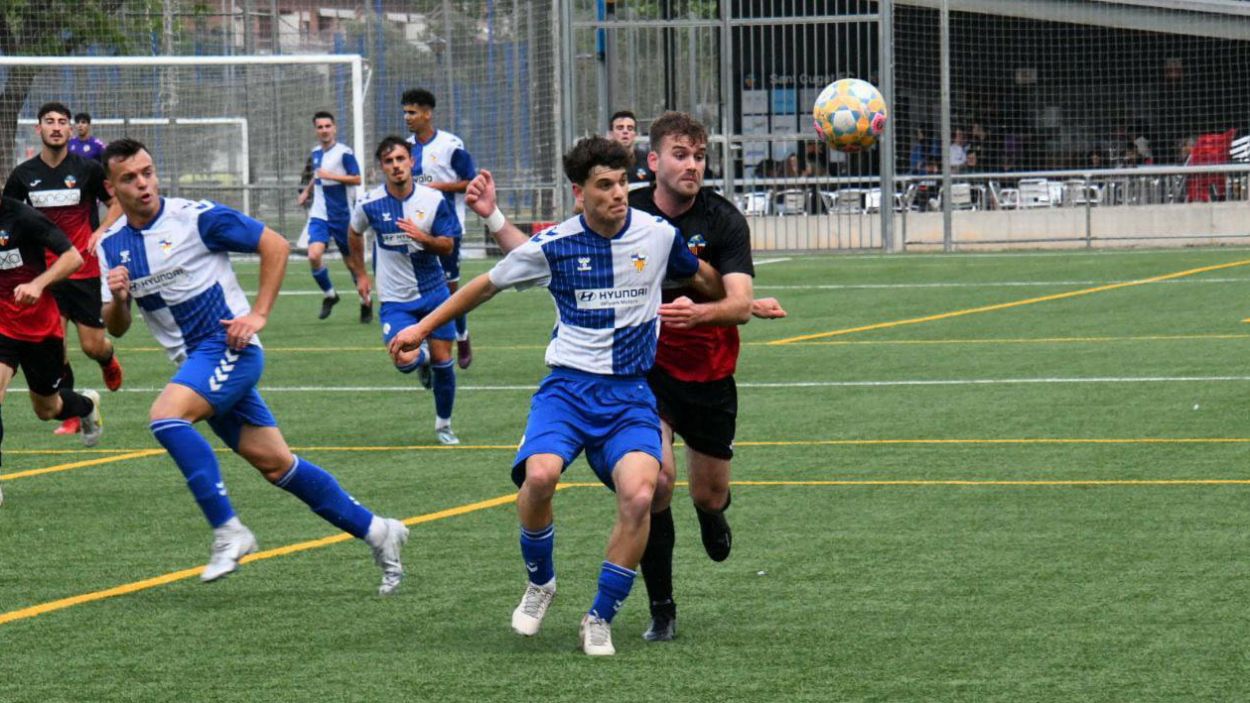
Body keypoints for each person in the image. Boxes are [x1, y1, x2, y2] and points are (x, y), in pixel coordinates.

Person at [387, 135, 724, 656]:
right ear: (578, 193)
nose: (618, 194)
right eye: (604, 185)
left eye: (623, 183)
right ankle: (540, 583)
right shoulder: (554, 245)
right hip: (566, 391)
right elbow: (485, 285)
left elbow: (700, 274)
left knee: (641, 493)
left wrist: (737, 296)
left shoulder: (656, 235)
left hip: (631, 394)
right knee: (540, 475)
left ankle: (600, 616)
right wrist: (420, 329)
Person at [464, 114, 787, 645]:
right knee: (651, 487)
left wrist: (718, 309)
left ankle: (711, 516)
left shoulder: (721, 220)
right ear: (652, 162)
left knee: (708, 495)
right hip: (641, 373)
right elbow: (547, 256)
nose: (692, 165)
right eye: (680, 154)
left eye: (700, 156)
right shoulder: (621, 205)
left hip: (708, 370)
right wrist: (494, 216)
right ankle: (660, 608)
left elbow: (733, 300)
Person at [95, 138, 409, 591]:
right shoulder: (112, 246)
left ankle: (229, 531)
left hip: (228, 348)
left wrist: (258, 314)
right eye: (129, 178)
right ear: (112, 187)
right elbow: (118, 327)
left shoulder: (196, 218)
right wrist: (121, 298)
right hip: (197, 364)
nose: (143, 183)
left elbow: (275, 245)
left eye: (148, 172)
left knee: (165, 417)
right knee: (278, 466)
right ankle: (379, 530)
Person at [3, 101, 123, 439]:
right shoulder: (23, 175)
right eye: (49, 122)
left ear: (71, 130)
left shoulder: (88, 169)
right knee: (59, 348)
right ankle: (71, 415)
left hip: (83, 270)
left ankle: (107, 359)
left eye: (62, 122)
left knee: (92, 346)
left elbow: (115, 202)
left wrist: (101, 231)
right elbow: (8, 217)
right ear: (38, 129)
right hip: (43, 278)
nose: (56, 127)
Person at [346, 136, 462, 446]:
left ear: (411, 161)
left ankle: (444, 425)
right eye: (389, 161)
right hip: (396, 300)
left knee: (443, 361)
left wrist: (423, 238)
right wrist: (360, 274)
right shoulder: (369, 203)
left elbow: (448, 245)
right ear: (381, 167)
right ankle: (419, 360)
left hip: (435, 294)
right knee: (403, 359)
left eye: (401, 159)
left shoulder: (433, 200)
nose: (396, 166)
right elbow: (353, 233)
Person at [0, 195, 103, 480]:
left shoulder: (24, 217)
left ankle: (86, 405)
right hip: (1, 326)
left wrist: (37, 284)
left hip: (38, 329)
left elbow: (74, 257)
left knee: (48, 409)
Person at [402, 88, 477, 369]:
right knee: (419, 287)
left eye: (412, 112)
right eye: (405, 112)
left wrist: (438, 186)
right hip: (414, 228)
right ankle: (422, 346)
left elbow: (471, 180)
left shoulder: (450, 145)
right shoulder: (405, 149)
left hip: (447, 229)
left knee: (449, 288)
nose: (407, 117)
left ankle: (462, 336)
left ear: (427, 113)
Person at [296, 111, 368, 322]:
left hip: (342, 217)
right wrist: (307, 191)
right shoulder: (316, 152)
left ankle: (365, 303)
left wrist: (331, 176)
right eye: (320, 127)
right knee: (314, 255)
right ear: (316, 130)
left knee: (352, 265)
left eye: (328, 126)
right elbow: (318, 175)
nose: (324, 130)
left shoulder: (344, 152)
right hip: (319, 215)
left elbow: (356, 179)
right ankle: (330, 295)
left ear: (334, 128)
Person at [609, 110, 654, 187]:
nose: (625, 131)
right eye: (620, 128)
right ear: (611, 134)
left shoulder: (648, 160)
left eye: (630, 128)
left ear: (635, 134)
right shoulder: (603, 162)